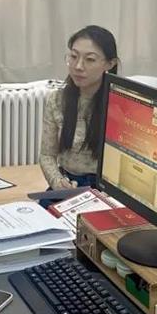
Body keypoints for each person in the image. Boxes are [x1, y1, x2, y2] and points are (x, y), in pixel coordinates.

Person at [39, 25, 119, 192]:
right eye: (74, 57)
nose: (78, 66)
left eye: (90, 59)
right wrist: (57, 182)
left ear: (110, 64)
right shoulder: (57, 100)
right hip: (67, 183)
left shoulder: (118, 106)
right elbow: (47, 155)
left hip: (105, 188)